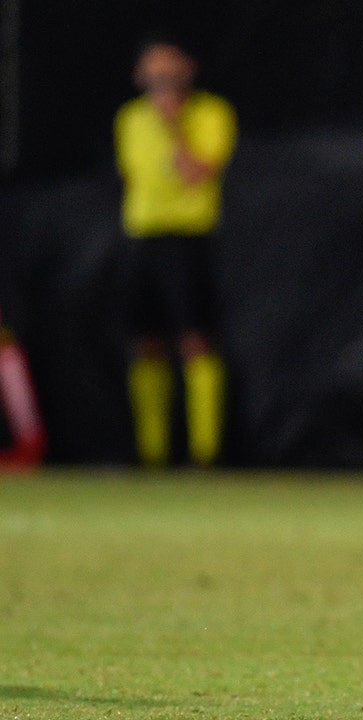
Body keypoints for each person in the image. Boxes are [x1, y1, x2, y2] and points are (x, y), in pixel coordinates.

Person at [114, 37, 237, 468]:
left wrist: (173, 126)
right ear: (140, 76)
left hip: (189, 241)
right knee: (145, 344)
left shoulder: (212, 114)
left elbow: (196, 173)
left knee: (196, 340)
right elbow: (133, 178)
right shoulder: (129, 119)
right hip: (143, 239)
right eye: (155, 74)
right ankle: (151, 454)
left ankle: (205, 455)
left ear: (188, 72)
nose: (162, 83)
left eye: (170, 74)